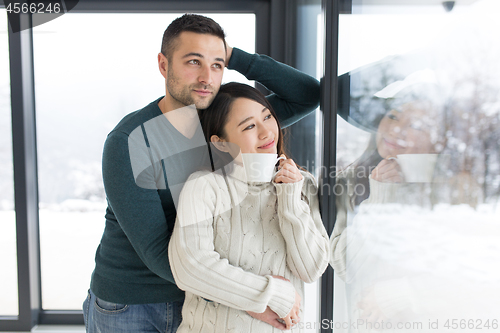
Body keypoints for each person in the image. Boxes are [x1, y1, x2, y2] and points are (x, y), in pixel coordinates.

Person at [82, 14, 320, 333]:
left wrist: (233, 55)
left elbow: (306, 95)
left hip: (205, 296)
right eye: (194, 61)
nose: (207, 77)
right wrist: (250, 297)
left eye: (217, 65)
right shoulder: (130, 141)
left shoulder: (224, 125)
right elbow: (157, 251)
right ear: (164, 65)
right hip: (134, 305)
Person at [168, 82, 330, 333]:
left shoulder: (301, 184)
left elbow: (311, 269)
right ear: (221, 142)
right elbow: (189, 268)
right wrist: (275, 293)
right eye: (250, 126)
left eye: (267, 117)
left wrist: (290, 199)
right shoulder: (204, 186)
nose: (267, 132)